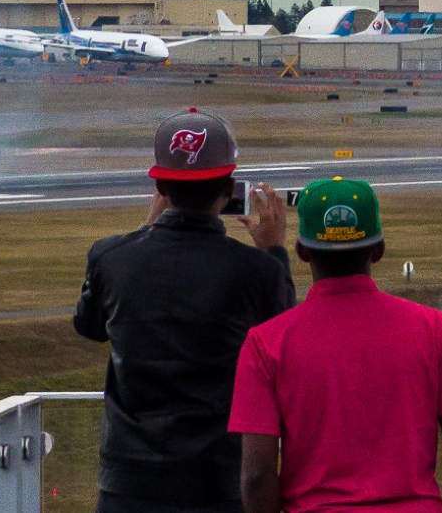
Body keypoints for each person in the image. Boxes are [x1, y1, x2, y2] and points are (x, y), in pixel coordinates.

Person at [74, 107, 294, 513]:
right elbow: (286, 342)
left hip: (128, 481)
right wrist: (275, 252)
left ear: (160, 187)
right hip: (216, 480)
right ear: (229, 189)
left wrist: (145, 231)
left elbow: (88, 326)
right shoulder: (256, 270)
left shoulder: (111, 257)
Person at [229, 177, 442, 513]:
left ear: (303, 252)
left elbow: (258, 474)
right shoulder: (435, 329)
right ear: (378, 250)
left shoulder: (265, 342)